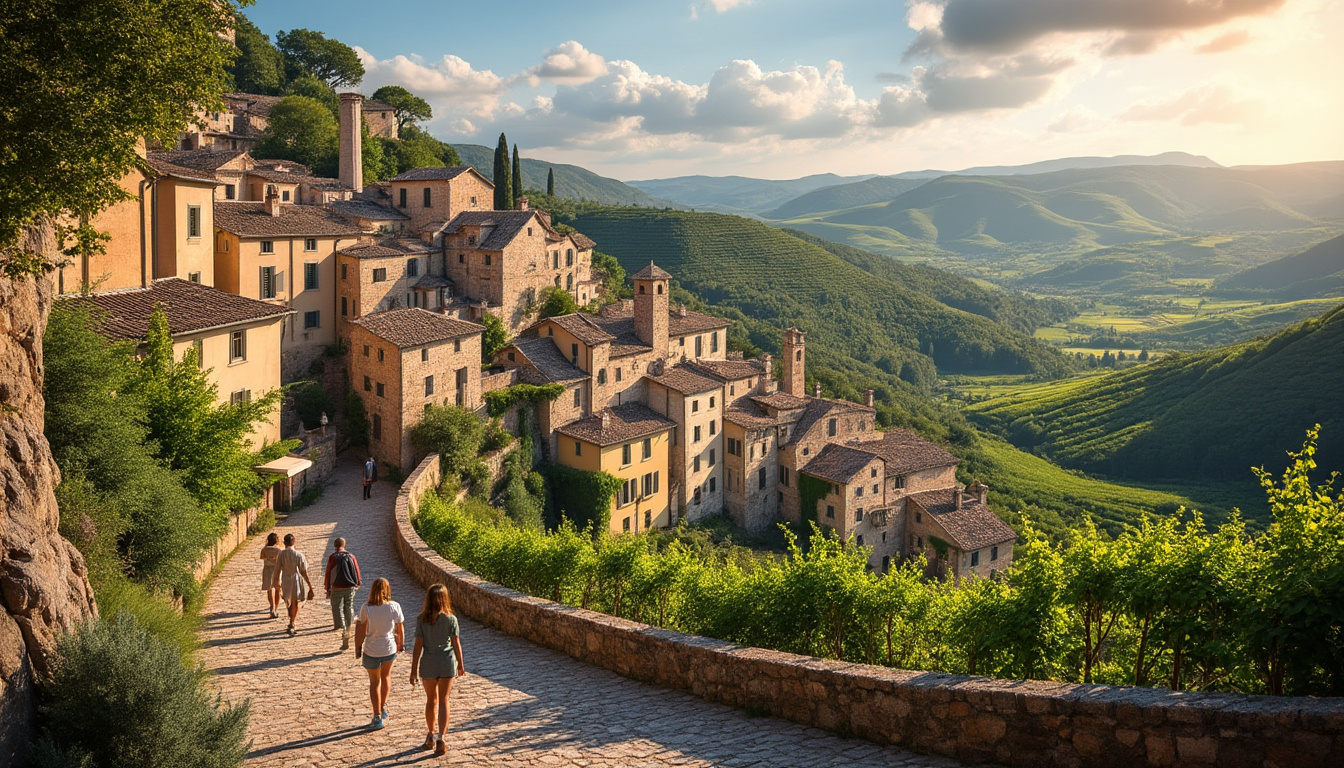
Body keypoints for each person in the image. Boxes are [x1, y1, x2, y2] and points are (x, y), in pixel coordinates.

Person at [409, 584, 466, 756]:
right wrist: (461, 665)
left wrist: (413, 670)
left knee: (430, 700)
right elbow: (456, 643)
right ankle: (441, 738)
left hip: (428, 663)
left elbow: (418, 646)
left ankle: (430, 734)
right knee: (444, 700)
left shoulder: (421, 619)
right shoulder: (451, 619)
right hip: (447, 662)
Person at [354, 577, 403, 730]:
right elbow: (400, 628)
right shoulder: (394, 606)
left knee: (374, 682)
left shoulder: (366, 608)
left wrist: (357, 647)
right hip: (388, 647)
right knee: (386, 676)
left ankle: (376, 716)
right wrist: (401, 643)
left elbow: (361, 630)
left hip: (371, 649)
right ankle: (382, 708)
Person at [272, 533, 315, 636]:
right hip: (295, 579)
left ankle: (291, 620)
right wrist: (310, 586)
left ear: (284, 542)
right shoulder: (298, 555)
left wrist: (276, 581)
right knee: (295, 602)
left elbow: (277, 569)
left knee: (288, 601)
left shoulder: (281, 554)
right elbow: (304, 571)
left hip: (286, 579)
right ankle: (292, 622)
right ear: (294, 542)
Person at [324, 537, 362, 650]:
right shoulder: (351, 556)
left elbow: (328, 573)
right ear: (344, 545)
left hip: (336, 587)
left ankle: (341, 627)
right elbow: (356, 570)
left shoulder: (333, 557)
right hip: (350, 586)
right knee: (349, 606)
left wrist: (327, 588)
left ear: (335, 545)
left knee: (337, 607)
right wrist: (358, 583)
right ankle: (348, 628)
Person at [258, 532, 283, 619]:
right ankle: (275, 607)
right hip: (276, 570)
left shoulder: (264, 550)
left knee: (269, 589)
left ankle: (272, 607)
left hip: (267, 569)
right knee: (278, 589)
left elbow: (262, 558)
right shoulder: (279, 550)